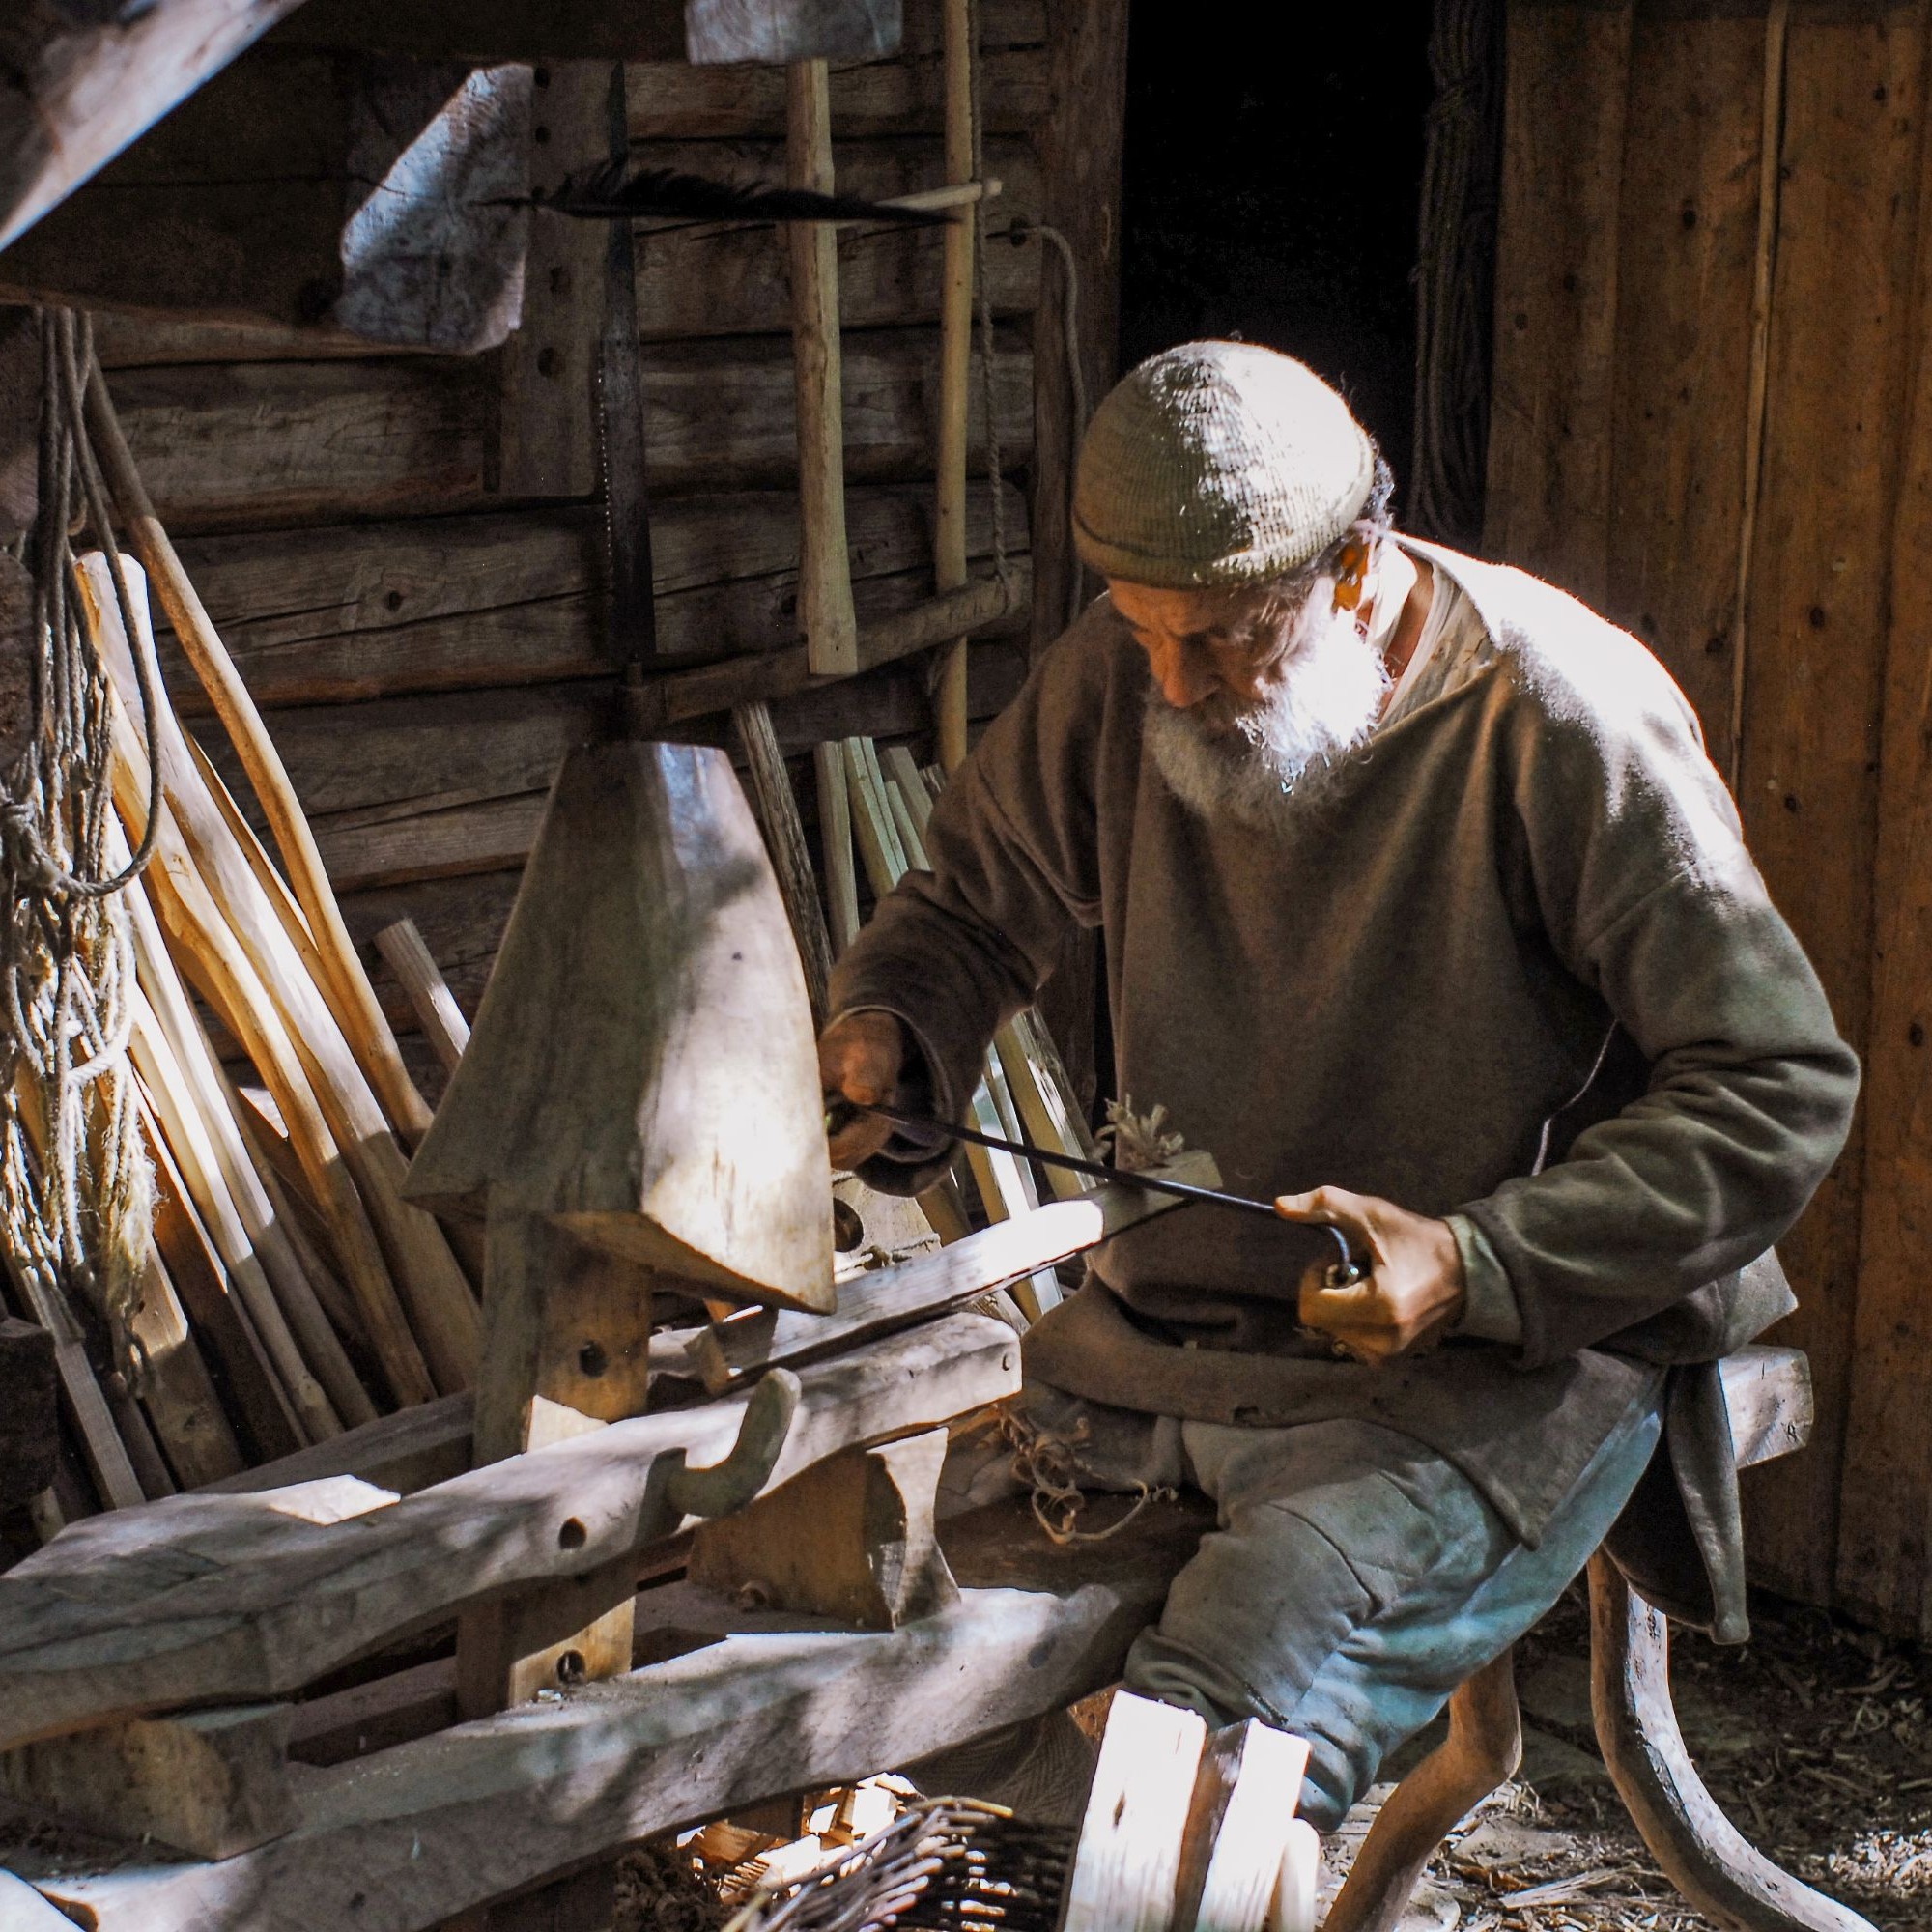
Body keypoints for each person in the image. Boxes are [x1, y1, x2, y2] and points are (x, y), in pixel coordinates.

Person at [817, 341, 1859, 1830]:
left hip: (1479, 1375)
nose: (1171, 685)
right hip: (1158, 1345)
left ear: (1357, 573)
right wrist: (895, 1030)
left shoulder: (1558, 718)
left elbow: (1779, 1085)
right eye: (1141, 630)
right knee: (861, 1646)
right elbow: (971, 910)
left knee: (1200, 1774)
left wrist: (1481, 1261)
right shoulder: (1137, 665)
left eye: (1229, 641)